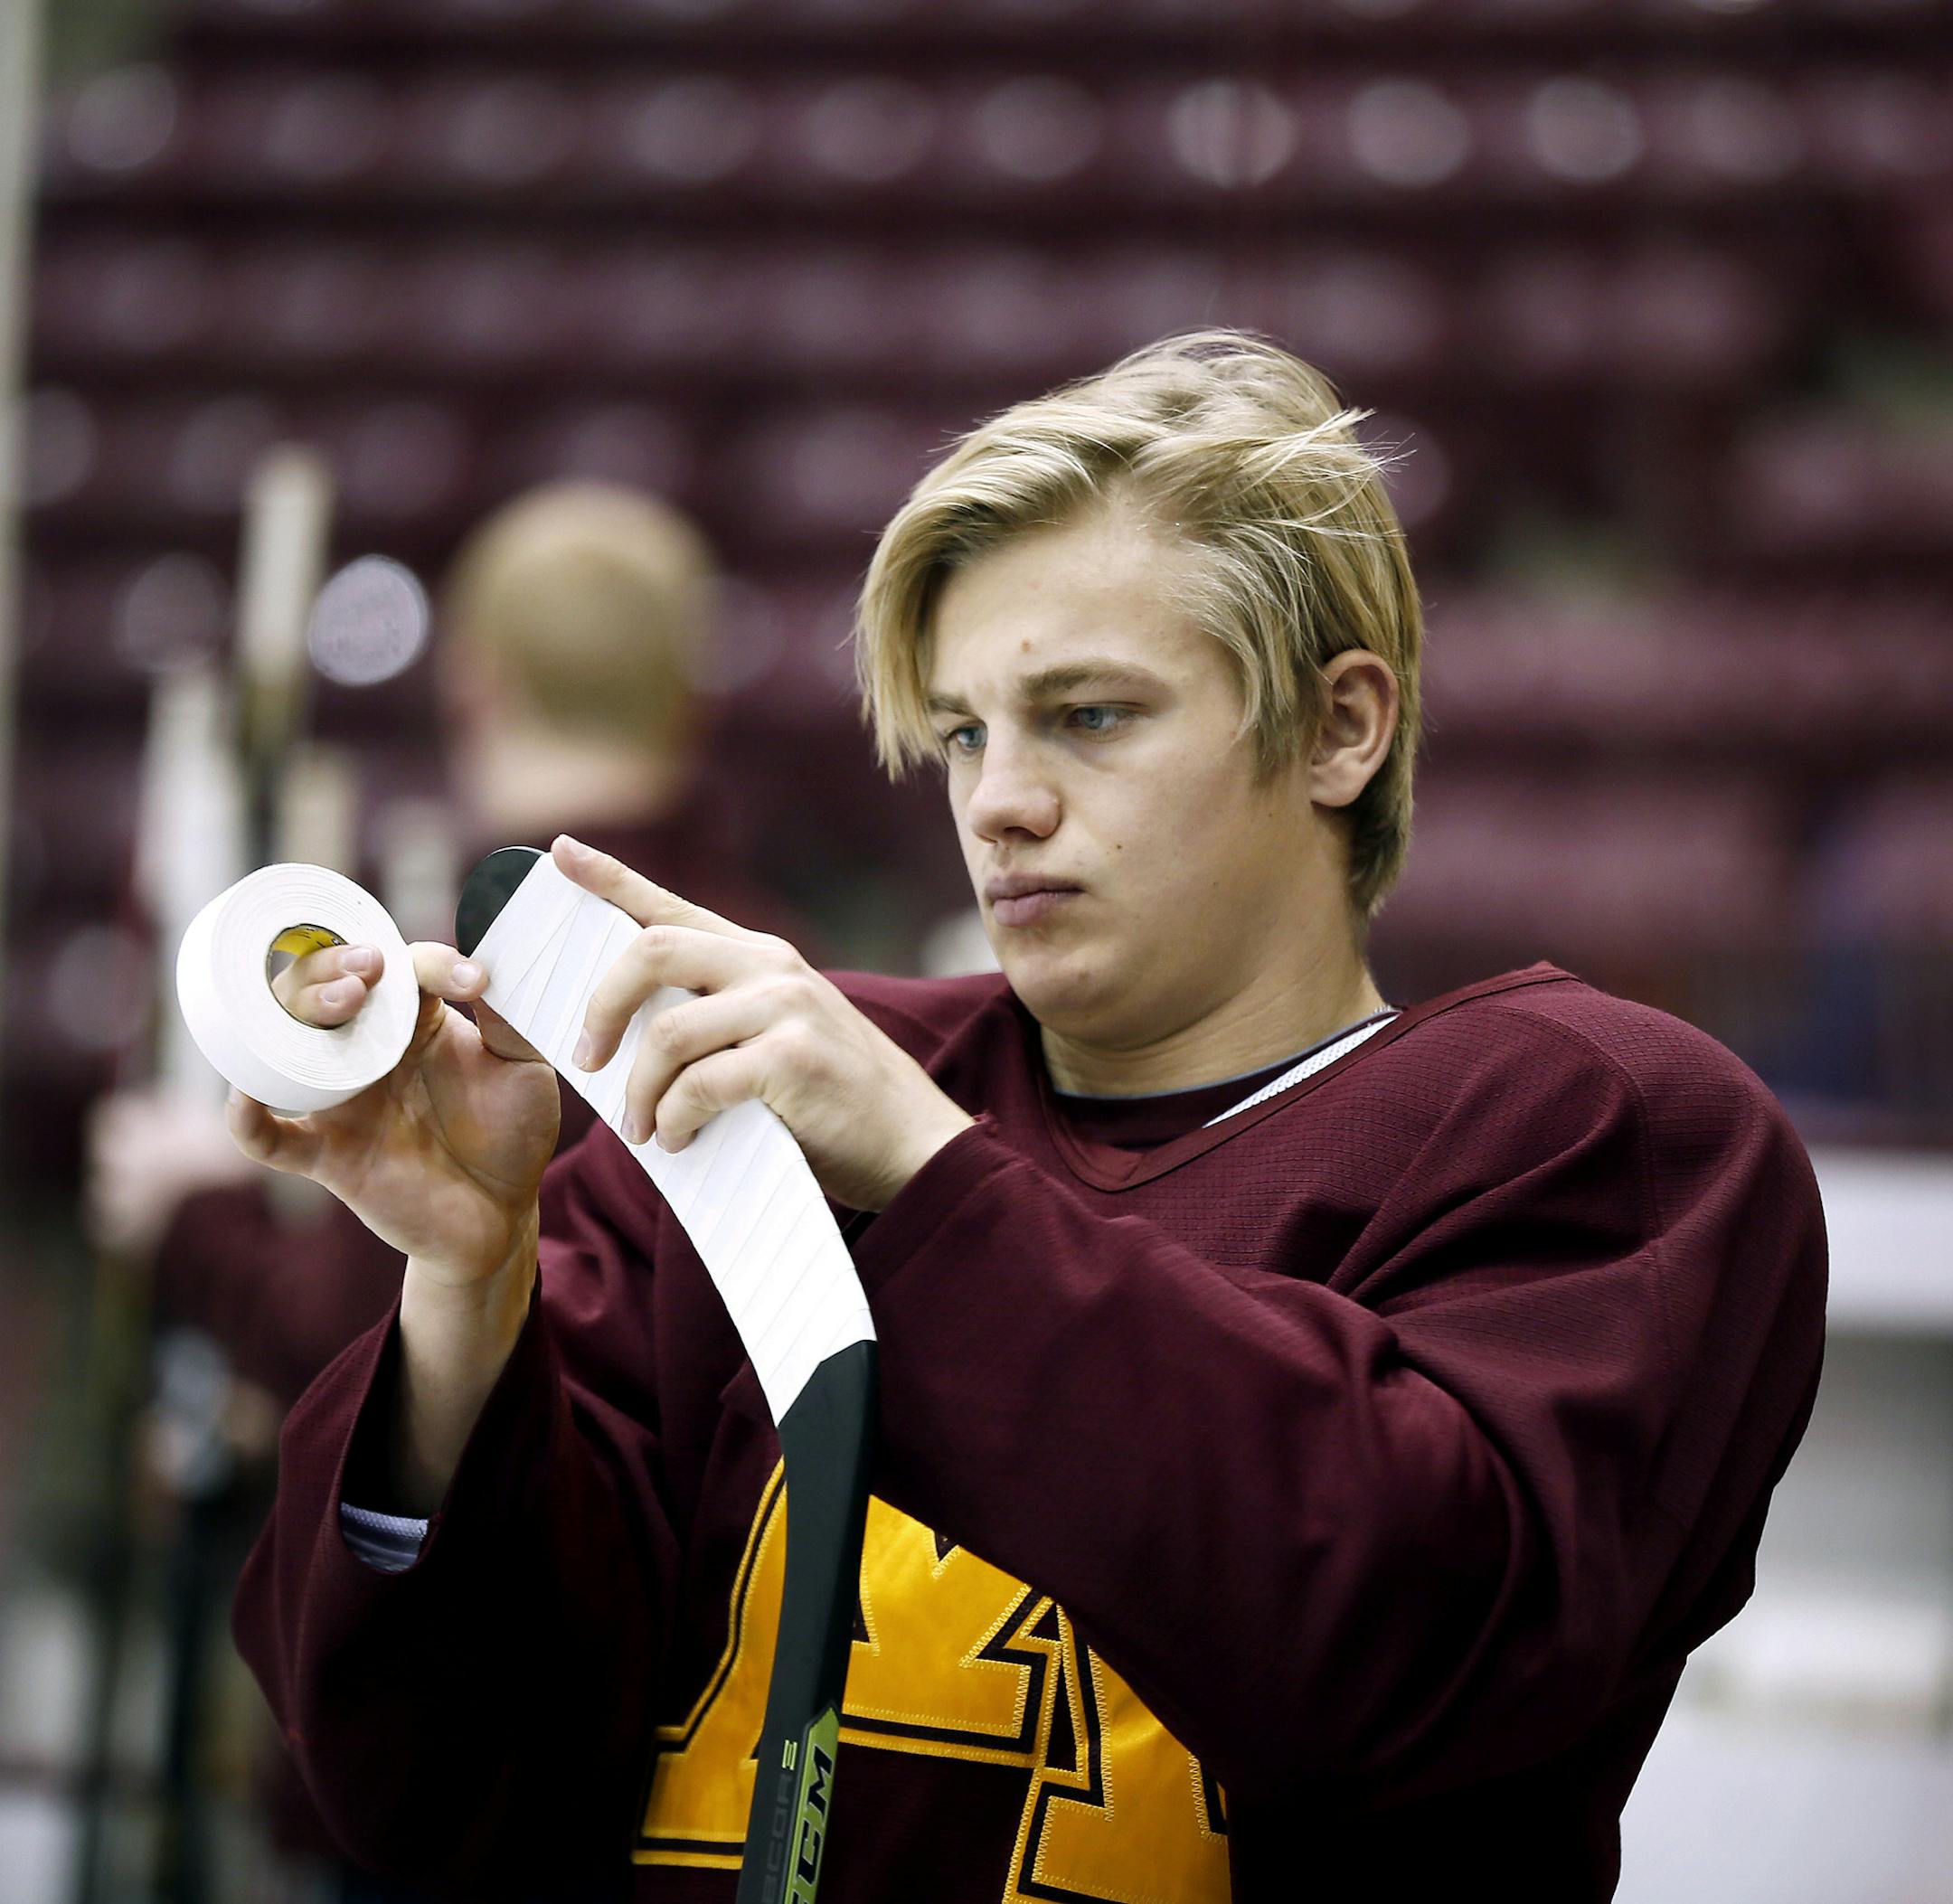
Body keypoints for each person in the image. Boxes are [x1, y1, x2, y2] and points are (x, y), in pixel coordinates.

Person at [222, 333, 1827, 1902]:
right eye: (967, 728)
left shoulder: (1584, 1123)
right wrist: (467, 1287)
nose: (996, 797)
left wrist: (927, 1182)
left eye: (1091, 715)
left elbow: (1409, 1652)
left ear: (1344, 726)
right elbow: (431, 1792)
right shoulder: (742, 1114)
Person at [84, 480, 807, 1890]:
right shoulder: (776, 968)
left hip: (473, 1762)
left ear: (472, 682)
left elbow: (370, 1351)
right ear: (688, 697)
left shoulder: (459, 991)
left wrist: (196, 1217)